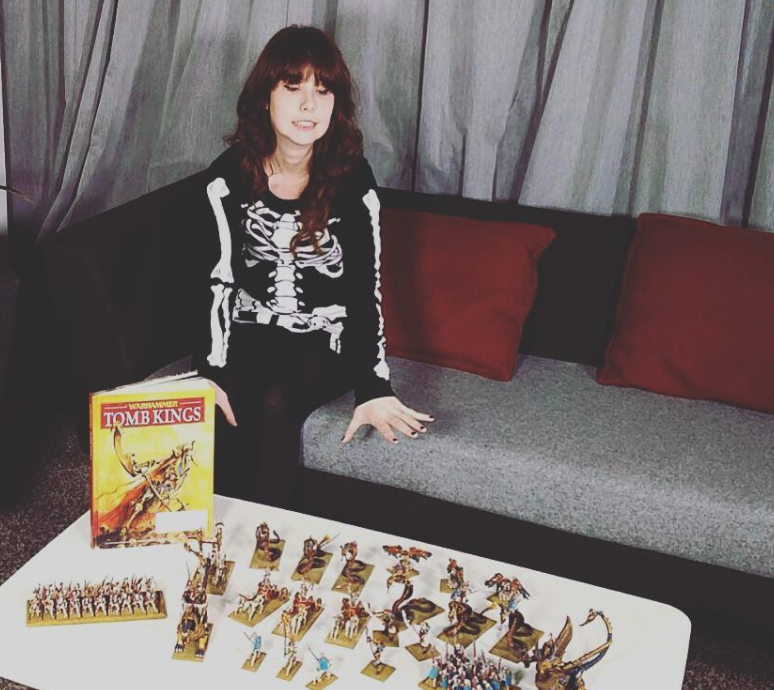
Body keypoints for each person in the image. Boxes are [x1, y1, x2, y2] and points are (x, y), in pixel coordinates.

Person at [192, 25, 433, 509]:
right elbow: (218, 281)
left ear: (335, 104)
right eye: (293, 87)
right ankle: (210, 538)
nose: (309, 106)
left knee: (276, 401)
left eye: (323, 91)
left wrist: (374, 386)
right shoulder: (226, 178)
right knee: (225, 404)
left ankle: (266, 540)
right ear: (265, 96)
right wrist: (211, 372)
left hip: (325, 338)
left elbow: (365, 289)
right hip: (252, 327)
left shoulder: (352, 178)